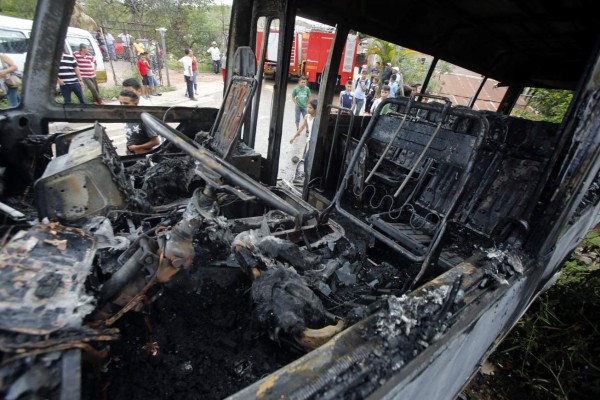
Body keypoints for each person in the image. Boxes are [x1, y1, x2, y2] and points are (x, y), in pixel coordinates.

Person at [119, 89, 160, 155]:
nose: (122, 106)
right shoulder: (129, 117)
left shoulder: (143, 118)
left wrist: (137, 147)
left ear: (136, 103)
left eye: (126, 103)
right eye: (120, 103)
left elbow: (156, 141)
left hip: (143, 157)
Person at [290, 98, 318, 171]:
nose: (308, 109)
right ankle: (306, 174)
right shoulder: (307, 117)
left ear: (315, 109)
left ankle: (307, 175)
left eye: (310, 108)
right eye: (308, 107)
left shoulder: (318, 118)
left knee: (307, 159)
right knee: (306, 159)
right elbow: (301, 128)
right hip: (309, 141)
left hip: (316, 142)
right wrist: (293, 137)